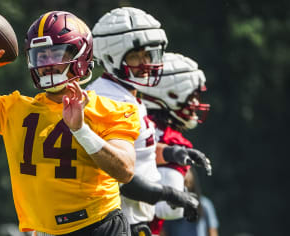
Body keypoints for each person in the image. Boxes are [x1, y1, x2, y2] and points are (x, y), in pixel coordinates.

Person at [0, 11, 140, 236]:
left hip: (98, 227)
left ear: (80, 55)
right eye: (41, 56)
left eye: (57, 54)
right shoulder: (16, 110)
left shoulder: (112, 109)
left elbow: (125, 171)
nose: (47, 64)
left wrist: (81, 131)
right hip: (43, 232)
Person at [88, 7, 211, 236]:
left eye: (148, 55)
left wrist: (170, 153)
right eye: (136, 55)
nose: (146, 63)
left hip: (129, 223)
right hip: (113, 223)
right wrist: (170, 194)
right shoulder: (108, 101)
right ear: (110, 56)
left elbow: (134, 151)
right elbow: (117, 172)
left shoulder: (126, 95)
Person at [133, 52, 212, 235]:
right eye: (190, 96)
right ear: (168, 94)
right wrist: (183, 197)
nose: (194, 103)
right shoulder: (172, 139)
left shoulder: (135, 120)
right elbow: (168, 209)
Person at [160, 168, 219, 236]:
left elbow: (212, 232)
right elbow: (163, 233)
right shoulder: (167, 207)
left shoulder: (204, 205)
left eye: (186, 171)